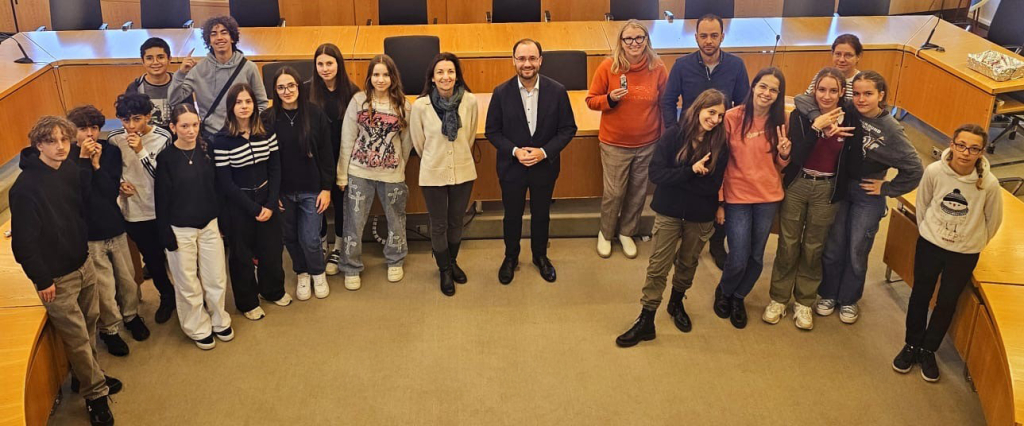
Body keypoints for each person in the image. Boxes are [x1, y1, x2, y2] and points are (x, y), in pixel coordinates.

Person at [11, 116, 121, 426]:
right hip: (56, 278)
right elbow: (23, 243)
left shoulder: (69, 167)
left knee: (88, 326)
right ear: (38, 145)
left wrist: (88, 164)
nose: (60, 147)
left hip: (82, 262)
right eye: (52, 141)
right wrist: (42, 279)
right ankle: (96, 395)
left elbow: (82, 201)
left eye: (64, 140)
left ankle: (85, 378)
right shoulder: (25, 188)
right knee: (76, 338)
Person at [795, 71, 924, 324]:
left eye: (869, 94)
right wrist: (819, 117)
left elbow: (915, 168)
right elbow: (802, 99)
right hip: (841, 186)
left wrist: (887, 189)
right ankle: (828, 293)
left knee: (857, 249)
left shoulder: (891, 129)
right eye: (859, 93)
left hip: (867, 194)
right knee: (834, 245)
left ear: (881, 96)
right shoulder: (847, 109)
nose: (862, 99)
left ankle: (849, 299)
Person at [615, 89, 730, 347]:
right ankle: (646, 319)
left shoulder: (720, 145)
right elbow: (656, 175)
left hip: (700, 215)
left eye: (720, 116)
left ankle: (676, 303)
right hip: (669, 211)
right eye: (711, 112)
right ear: (699, 108)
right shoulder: (672, 136)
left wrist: (677, 177)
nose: (715, 120)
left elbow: (711, 187)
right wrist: (690, 171)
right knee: (657, 266)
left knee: (688, 264)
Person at [892, 124, 1002, 382]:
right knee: (920, 295)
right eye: (961, 145)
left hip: (964, 253)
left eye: (974, 148)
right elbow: (923, 204)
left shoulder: (989, 184)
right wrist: (930, 232)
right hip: (931, 245)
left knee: (946, 303)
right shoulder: (934, 171)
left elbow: (993, 221)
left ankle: (928, 349)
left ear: (981, 152)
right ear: (952, 144)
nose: (966, 153)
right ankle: (911, 345)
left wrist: (971, 241)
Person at [764, 67, 858, 331]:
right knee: (788, 243)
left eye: (832, 90)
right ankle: (779, 298)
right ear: (813, 91)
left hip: (827, 188)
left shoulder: (850, 115)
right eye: (821, 89)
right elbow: (798, 156)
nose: (826, 96)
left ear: (842, 92)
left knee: (814, 246)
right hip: (799, 183)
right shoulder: (801, 115)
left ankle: (804, 301)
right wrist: (818, 130)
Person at [659, 14, 749, 271]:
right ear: (696, 36)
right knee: (686, 183)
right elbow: (668, 102)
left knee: (718, 190)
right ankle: (682, 240)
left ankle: (717, 243)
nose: (708, 41)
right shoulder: (682, 65)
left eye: (714, 35)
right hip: (689, 138)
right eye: (703, 36)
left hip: (721, 138)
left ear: (723, 36)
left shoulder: (736, 65)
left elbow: (743, 105)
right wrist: (674, 133)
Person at [485, 38, 578, 285]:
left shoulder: (557, 91)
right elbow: (492, 132)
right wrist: (515, 151)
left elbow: (568, 128)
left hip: (544, 167)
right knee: (512, 216)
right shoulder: (500, 92)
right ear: (513, 61)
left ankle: (540, 256)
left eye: (532, 58)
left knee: (541, 215)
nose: (527, 64)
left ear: (540, 60)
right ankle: (510, 258)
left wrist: (544, 152)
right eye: (522, 58)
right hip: (511, 167)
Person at [713, 67, 791, 330]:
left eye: (773, 90)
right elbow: (720, 162)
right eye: (763, 86)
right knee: (738, 255)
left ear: (779, 95)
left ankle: (738, 297)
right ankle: (724, 290)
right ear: (753, 86)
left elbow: (781, 164)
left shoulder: (782, 120)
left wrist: (784, 154)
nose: (767, 93)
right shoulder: (733, 118)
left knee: (756, 257)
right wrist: (720, 201)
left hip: (768, 197)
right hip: (737, 197)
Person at [67, 106, 149, 357]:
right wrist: (83, 161)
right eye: (82, 129)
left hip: (114, 224)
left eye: (94, 128)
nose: (89, 134)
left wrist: (96, 163)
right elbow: (80, 194)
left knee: (127, 278)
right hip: (89, 233)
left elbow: (108, 189)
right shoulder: (67, 157)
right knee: (103, 286)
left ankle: (131, 316)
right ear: (73, 132)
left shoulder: (110, 152)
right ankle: (109, 329)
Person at [586, 19, 668, 259]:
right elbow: (591, 100)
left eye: (639, 38)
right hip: (614, 143)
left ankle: (627, 232)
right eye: (628, 39)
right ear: (621, 42)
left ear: (646, 40)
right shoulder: (608, 67)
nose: (634, 43)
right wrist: (609, 99)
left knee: (638, 191)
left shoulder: (658, 67)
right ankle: (606, 233)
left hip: (647, 143)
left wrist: (663, 138)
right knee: (614, 193)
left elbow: (665, 103)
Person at [156, 104, 235, 350]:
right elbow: (161, 199)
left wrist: (222, 221)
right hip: (180, 229)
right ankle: (196, 326)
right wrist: (165, 233)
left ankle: (219, 318)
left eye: (195, 125)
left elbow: (218, 188)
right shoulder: (166, 158)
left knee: (216, 276)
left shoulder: (207, 149)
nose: (191, 131)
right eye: (184, 126)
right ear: (173, 127)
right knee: (187, 282)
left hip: (209, 224)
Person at [211, 83, 289, 320]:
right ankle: (247, 302)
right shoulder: (221, 140)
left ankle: (272, 291)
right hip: (239, 204)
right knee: (241, 257)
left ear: (255, 105)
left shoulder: (266, 131)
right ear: (231, 107)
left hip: (267, 198)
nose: (244, 107)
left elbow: (275, 168)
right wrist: (254, 208)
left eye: (248, 102)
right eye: (238, 102)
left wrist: (270, 202)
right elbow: (225, 183)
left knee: (272, 250)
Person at [336, 54, 413, 290]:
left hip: (391, 174)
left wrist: (400, 167)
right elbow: (347, 138)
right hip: (359, 172)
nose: (381, 79)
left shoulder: (402, 105)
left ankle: (395, 259)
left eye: (385, 75)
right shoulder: (358, 101)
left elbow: (407, 141)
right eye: (376, 74)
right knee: (354, 222)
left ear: (393, 77)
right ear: (369, 77)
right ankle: (350, 266)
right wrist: (342, 174)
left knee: (396, 220)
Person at [410, 52, 479, 297]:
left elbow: (469, 136)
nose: (445, 76)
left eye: (450, 71)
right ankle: (444, 269)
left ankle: (452, 261)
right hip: (432, 172)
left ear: (457, 76)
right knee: (438, 224)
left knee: (455, 221)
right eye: (440, 72)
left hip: (463, 170)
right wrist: (435, 158)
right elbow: (418, 143)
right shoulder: (420, 106)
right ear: (432, 77)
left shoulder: (469, 101)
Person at [265, 67, 335, 301]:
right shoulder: (268, 118)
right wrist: (271, 194)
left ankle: (317, 272)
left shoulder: (314, 114)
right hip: (282, 191)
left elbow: (326, 154)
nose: (287, 91)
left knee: (311, 238)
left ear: (299, 87)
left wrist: (326, 189)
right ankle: (302, 272)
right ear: (275, 91)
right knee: (290, 237)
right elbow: (265, 160)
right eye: (281, 87)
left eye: (291, 86)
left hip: (311, 189)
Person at [108, 92, 177, 324]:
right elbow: (112, 172)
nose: (130, 126)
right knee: (154, 261)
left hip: (164, 209)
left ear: (148, 116)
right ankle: (167, 296)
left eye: (137, 119)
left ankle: (191, 297)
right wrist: (119, 184)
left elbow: (163, 176)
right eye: (125, 120)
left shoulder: (163, 137)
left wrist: (140, 150)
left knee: (179, 258)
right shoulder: (115, 139)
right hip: (135, 212)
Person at [307, 43, 360, 277]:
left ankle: (338, 247)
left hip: (342, 158)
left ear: (339, 64)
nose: (325, 68)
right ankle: (321, 244)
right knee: (316, 204)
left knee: (341, 204)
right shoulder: (307, 90)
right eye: (320, 64)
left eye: (329, 63)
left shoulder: (352, 92)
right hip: (315, 159)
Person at [169, 15, 268, 139]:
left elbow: (262, 103)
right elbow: (174, 100)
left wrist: (248, 125)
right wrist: (181, 74)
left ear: (232, 38)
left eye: (224, 33)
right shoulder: (198, 69)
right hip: (212, 135)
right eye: (214, 34)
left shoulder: (249, 68)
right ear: (209, 41)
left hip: (242, 134)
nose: (219, 38)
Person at [126, 37, 173, 129]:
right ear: (143, 61)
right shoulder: (135, 88)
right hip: (146, 139)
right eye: (149, 58)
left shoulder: (180, 85)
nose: (155, 62)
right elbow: (129, 120)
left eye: (160, 57)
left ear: (169, 59)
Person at [804, 34, 862, 102]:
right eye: (838, 54)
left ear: (858, 57)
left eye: (848, 55)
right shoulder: (823, 76)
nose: (841, 60)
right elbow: (804, 101)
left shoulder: (862, 81)